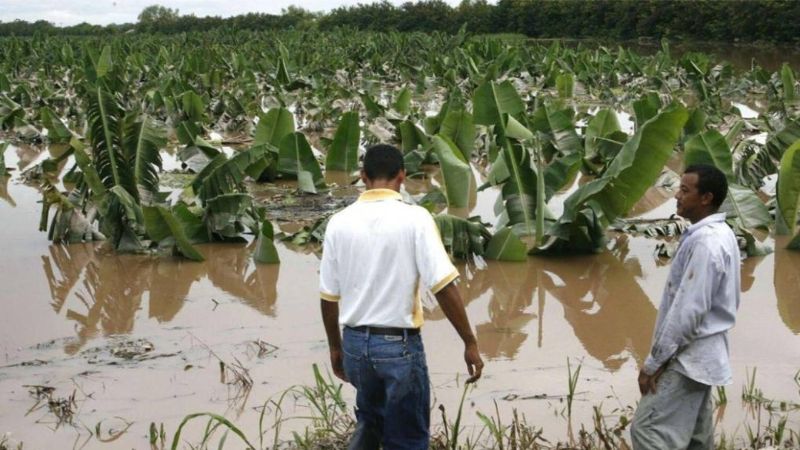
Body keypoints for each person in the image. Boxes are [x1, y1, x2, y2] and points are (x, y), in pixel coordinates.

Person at [319, 144, 484, 450]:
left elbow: (328, 297)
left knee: (370, 423)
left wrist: (335, 348)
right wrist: (469, 342)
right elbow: (444, 287)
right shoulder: (416, 219)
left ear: (363, 177)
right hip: (398, 347)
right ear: (402, 177)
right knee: (407, 439)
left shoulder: (338, 223)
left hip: (355, 345)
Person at [631, 164, 741, 449]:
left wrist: (654, 363)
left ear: (706, 198)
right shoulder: (721, 233)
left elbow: (688, 312)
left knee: (647, 430)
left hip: (688, 358)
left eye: (685, 190)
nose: (677, 196)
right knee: (695, 439)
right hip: (704, 357)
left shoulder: (706, 243)